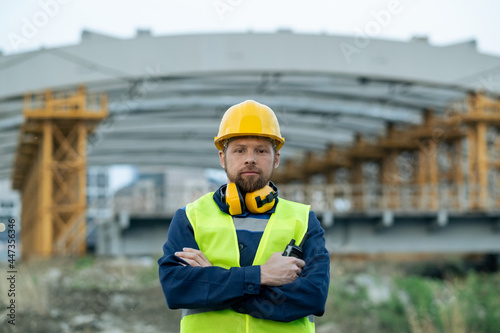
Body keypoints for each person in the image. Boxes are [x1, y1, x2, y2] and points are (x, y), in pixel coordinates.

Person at [158, 100, 330, 332]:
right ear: (222, 158)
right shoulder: (191, 217)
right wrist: (262, 275)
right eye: (240, 150)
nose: (250, 158)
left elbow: (312, 297)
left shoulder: (303, 220)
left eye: (261, 151)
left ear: (276, 159)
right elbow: (177, 288)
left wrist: (212, 283)